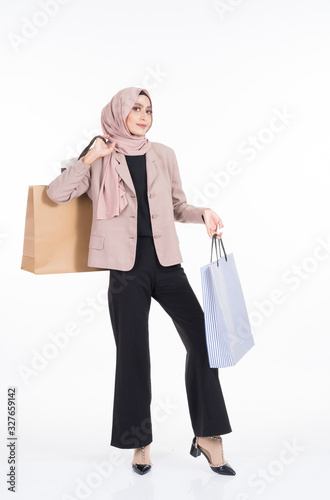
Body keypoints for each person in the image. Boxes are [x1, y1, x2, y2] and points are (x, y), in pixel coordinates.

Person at [46, 87, 236, 476]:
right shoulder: (99, 154)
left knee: (203, 342)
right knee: (133, 354)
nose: (144, 115)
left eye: (149, 109)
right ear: (119, 112)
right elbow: (56, 194)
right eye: (136, 108)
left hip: (167, 264)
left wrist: (204, 214)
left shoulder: (164, 154)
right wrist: (88, 158)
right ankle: (139, 443)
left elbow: (178, 206)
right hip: (124, 270)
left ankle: (208, 435)